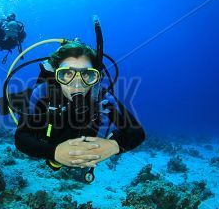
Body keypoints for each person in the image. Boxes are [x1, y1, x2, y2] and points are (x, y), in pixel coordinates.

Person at [14, 41, 145, 173]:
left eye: (86, 74)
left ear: (95, 76)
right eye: (67, 73)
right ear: (56, 75)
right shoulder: (43, 93)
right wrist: (54, 152)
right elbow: (21, 137)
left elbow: (137, 132)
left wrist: (114, 145)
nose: (77, 84)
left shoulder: (101, 98)